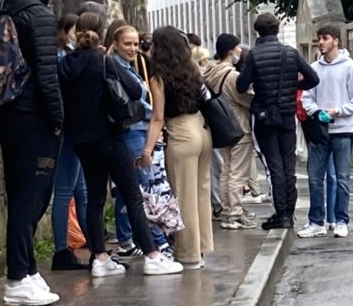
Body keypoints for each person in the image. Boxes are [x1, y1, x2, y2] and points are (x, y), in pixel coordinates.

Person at [58, 13, 182, 277]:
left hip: (81, 140)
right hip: (109, 136)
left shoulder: (66, 63)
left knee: (94, 198)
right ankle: (152, 255)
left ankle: (100, 258)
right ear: (102, 34)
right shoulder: (103, 61)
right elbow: (136, 92)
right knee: (133, 196)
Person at [0, 0, 70, 305]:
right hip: (32, 117)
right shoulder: (38, 15)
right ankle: (18, 276)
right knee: (31, 196)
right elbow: (47, 75)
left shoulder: (6, 8)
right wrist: (58, 119)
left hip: (8, 112)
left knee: (21, 192)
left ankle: (27, 270)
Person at [237, 13, 319, 230]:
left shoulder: (253, 56)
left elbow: (240, 85)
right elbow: (313, 78)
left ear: (258, 31)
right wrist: (294, 87)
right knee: (288, 163)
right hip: (286, 114)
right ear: (278, 29)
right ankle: (289, 212)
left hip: (264, 115)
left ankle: (281, 212)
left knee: (274, 164)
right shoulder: (290, 53)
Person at [142, 27, 214, 268]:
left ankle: (187, 254)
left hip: (181, 133)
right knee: (201, 193)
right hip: (202, 130)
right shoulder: (192, 69)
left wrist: (146, 150)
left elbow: (158, 118)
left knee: (183, 196)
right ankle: (202, 247)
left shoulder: (159, 77)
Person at [107, 21, 173, 258]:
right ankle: (155, 243)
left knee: (129, 188)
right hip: (133, 130)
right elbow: (136, 97)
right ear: (115, 44)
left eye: (136, 44)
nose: (133, 48)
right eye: (128, 43)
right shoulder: (118, 65)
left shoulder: (125, 65)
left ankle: (127, 238)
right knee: (142, 188)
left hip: (135, 128)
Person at [298, 25, 353, 238]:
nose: (321, 42)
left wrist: (338, 111)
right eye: (319, 38)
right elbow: (306, 96)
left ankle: (341, 220)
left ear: (336, 40)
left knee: (342, 177)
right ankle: (316, 221)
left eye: (325, 38)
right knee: (315, 177)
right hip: (319, 129)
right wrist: (317, 112)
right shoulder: (314, 68)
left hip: (343, 128)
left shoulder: (350, 67)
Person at [205, 33, 259, 230]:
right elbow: (246, 99)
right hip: (239, 126)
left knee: (227, 170)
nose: (240, 51)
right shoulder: (232, 76)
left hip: (222, 126)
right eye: (237, 48)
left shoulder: (211, 72)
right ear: (230, 51)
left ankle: (227, 209)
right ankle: (234, 212)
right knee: (237, 172)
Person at [49, 13, 89, 271]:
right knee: (66, 190)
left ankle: (91, 242)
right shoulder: (61, 60)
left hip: (70, 128)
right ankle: (61, 248)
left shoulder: (61, 58)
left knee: (80, 190)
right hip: (68, 129)